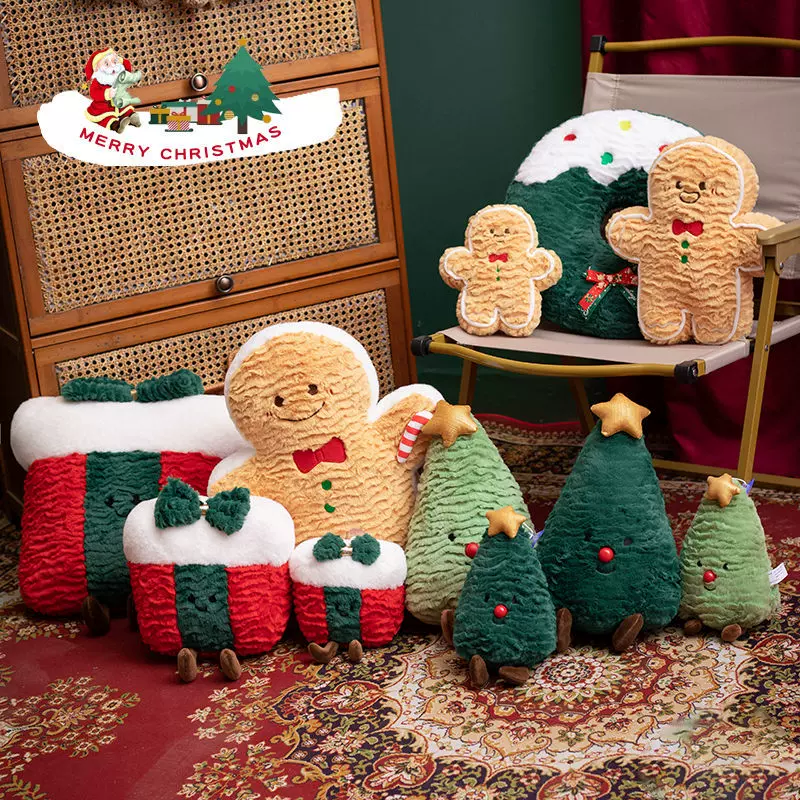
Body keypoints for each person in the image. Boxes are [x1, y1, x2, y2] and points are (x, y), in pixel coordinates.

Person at [84, 48, 141, 133]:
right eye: (106, 64)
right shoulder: (98, 81)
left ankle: (132, 117)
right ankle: (116, 126)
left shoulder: (118, 76)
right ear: (97, 69)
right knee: (106, 118)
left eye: (114, 62)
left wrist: (120, 60)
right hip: (103, 106)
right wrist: (107, 94)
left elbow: (128, 69)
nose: (112, 66)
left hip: (119, 103)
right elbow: (94, 93)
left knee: (126, 109)